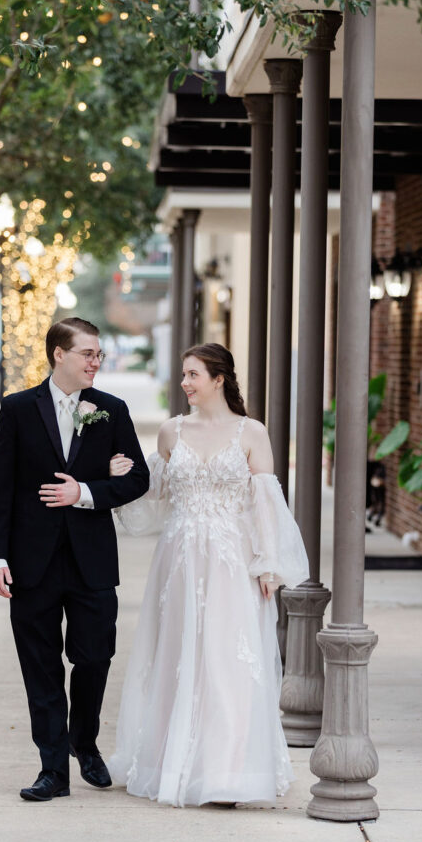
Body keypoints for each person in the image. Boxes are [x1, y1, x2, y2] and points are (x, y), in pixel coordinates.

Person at [108, 343, 310, 807]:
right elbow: (154, 494)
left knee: (228, 663)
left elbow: (265, 505)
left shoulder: (251, 432)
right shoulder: (170, 432)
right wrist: (122, 476)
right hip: (178, 562)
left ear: (219, 378)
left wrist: (267, 564)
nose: (185, 383)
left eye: (193, 375)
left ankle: (227, 772)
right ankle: (172, 764)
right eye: (183, 374)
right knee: (178, 658)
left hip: (230, 562)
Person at [0, 317, 149, 802]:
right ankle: (52, 770)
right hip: (30, 561)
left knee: (95, 656)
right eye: (88, 354)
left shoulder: (111, 410)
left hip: (91, 560)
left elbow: (138, 479)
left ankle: (85, 742)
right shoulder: (16, 409)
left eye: (98, 354)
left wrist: (87, 491)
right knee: (40, 666)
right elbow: (2, 488)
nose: (96, 361)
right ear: (59, 354)